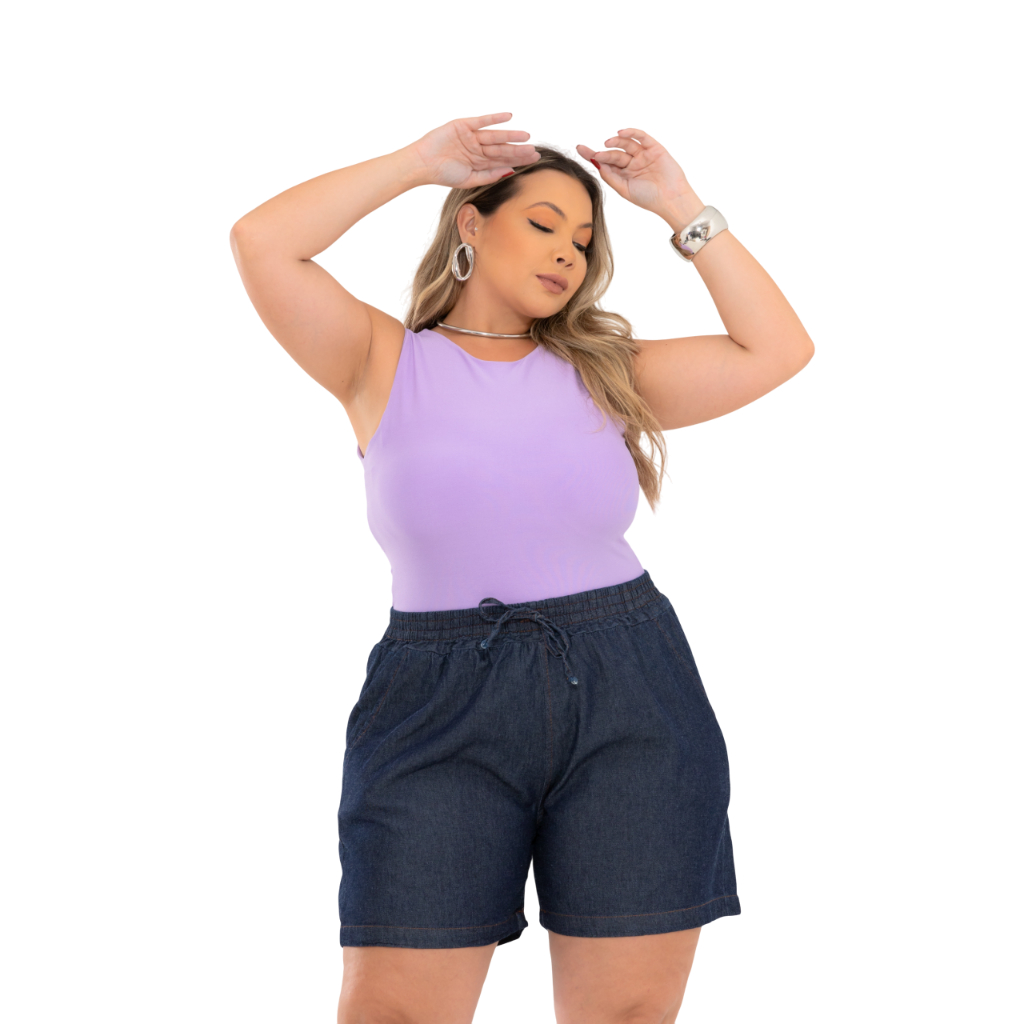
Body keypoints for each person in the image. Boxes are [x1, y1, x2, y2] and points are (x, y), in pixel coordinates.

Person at [229, 112, 814, 1024]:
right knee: (392, 1013)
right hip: (437, 701)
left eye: (582, 242)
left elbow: (777, 350)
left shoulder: (606, 373)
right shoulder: (380, 359)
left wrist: (679, 205)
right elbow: (262, 242)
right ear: (472, 222)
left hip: (629, 689)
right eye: (543, 224)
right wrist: (417, 163)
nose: (567, 255)